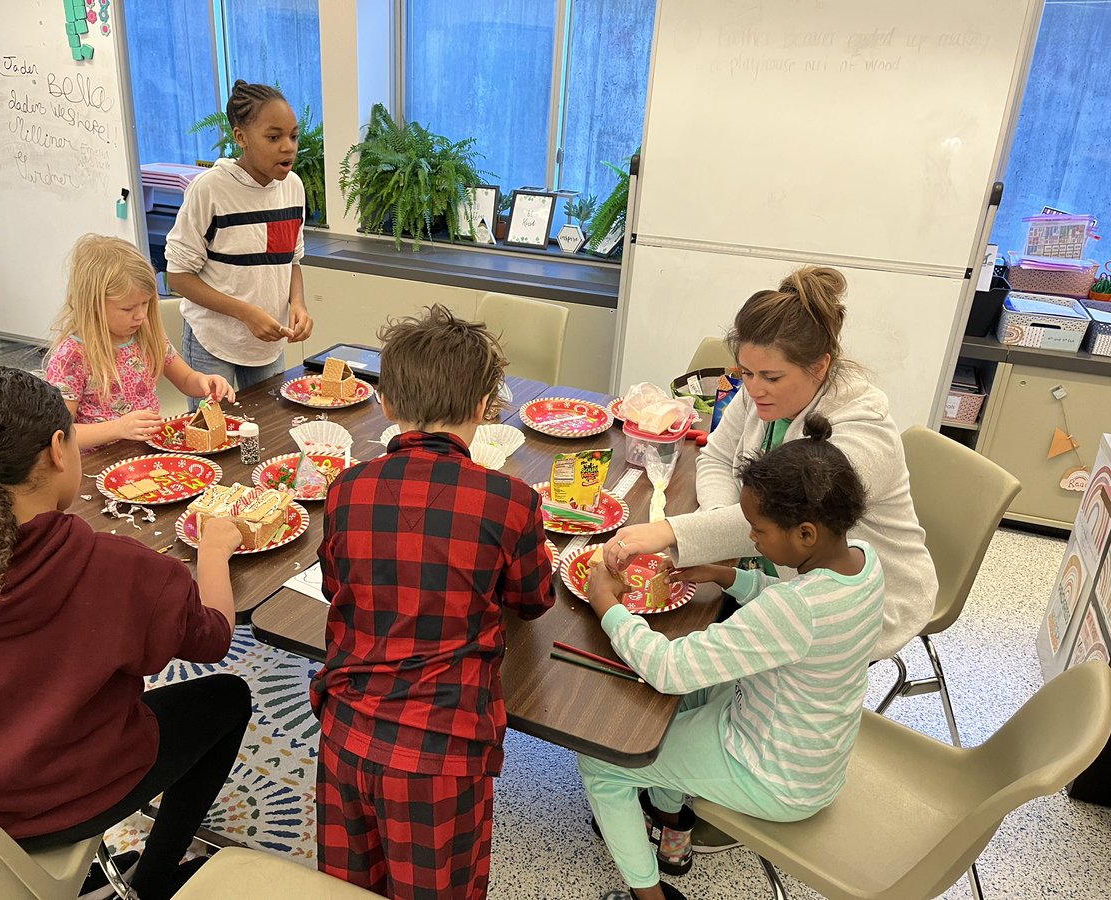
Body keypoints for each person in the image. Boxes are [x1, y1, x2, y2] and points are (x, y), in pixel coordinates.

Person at [0, 368, 251, 900]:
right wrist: (212, 553)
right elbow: (213, 639)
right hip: (76, 794)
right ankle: (158, 878)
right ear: (56, 450)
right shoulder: (119, 569)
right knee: (229, 696)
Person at [582, 415, 885, 900]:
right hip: (806, 744)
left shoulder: (796, 609)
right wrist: (728, 576)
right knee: (677, 711)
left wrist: (606, 604)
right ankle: (671, 831)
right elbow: (790, 619)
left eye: (757, 531)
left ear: (805, 534)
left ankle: (649, 896)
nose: (752, 540)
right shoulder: (864, 561)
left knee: (603, 758)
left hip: (774, 774)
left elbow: (669, 668)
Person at [310, 305, 556, 899]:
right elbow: (533, 599)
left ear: (387, 402)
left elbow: (334, 586)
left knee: (346, 889)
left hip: (345, 736)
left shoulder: (344, 489)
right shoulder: (510, 499)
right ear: (483, 407)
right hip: (442, 754)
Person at [607, 265, 934, 661]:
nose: (754, 387)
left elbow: (785, 517)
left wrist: (670, 531)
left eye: (771, 377)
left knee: (684, 659)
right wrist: (724, 520)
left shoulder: (863, 430)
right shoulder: (759, 391)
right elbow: (716, 457)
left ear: (820, 366)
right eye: (746, 372)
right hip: (771, 573)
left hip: (859, 601)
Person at [166, 80, 313, 405]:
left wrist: (298, 305)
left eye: (293, 135)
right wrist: (245, 313)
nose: (288, 146)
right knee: (214, 437)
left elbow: (292, 262)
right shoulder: (209, 190)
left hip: (266, 345)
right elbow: (177, 277)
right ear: (241, 137)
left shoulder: (293, 188)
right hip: (212, 341)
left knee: (269, 431)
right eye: (273, 137)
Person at [45, 234, 236, 450]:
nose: (141, 316)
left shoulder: (145, 333)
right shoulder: (71, 356)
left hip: (149, 451)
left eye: (145, 303)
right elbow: (59, 434)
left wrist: (204, 382)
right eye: (128, 308)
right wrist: (118, 428)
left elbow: (186, 379)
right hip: (98, 466)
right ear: (93, 304)